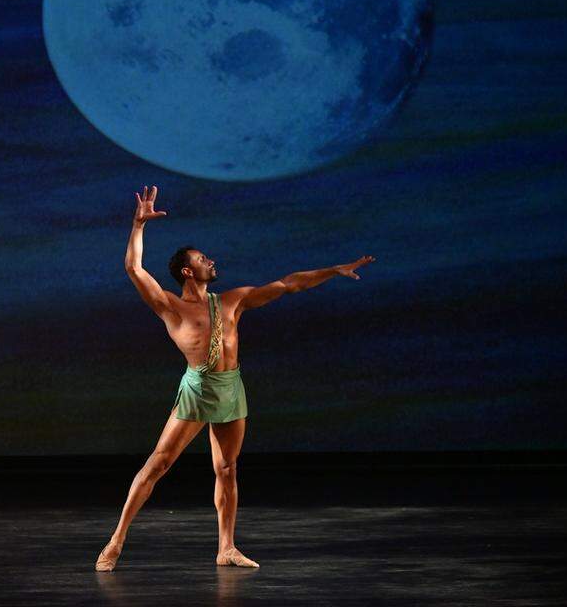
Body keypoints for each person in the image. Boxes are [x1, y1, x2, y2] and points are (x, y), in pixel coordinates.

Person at [95, 185, 375, 571]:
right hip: (198, 389)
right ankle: (115, 541)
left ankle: (226, 547)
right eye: (203, 259)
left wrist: (333, 270)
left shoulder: (233, 300)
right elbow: (133, 269)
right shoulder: (171, 307)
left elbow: (287, 284)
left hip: (231, 390)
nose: (212, 261)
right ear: (187, 271)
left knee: (227, 468)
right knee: (159, 464)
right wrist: (138, 225)